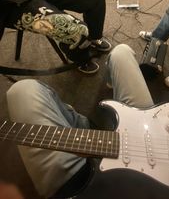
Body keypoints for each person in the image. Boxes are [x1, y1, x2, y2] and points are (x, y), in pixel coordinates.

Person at [6, 44, 154, 198]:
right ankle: (85, 127)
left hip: (82, 186)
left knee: (21, 91)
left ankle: (81, 126)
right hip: (154, 131)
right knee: (121, 52)